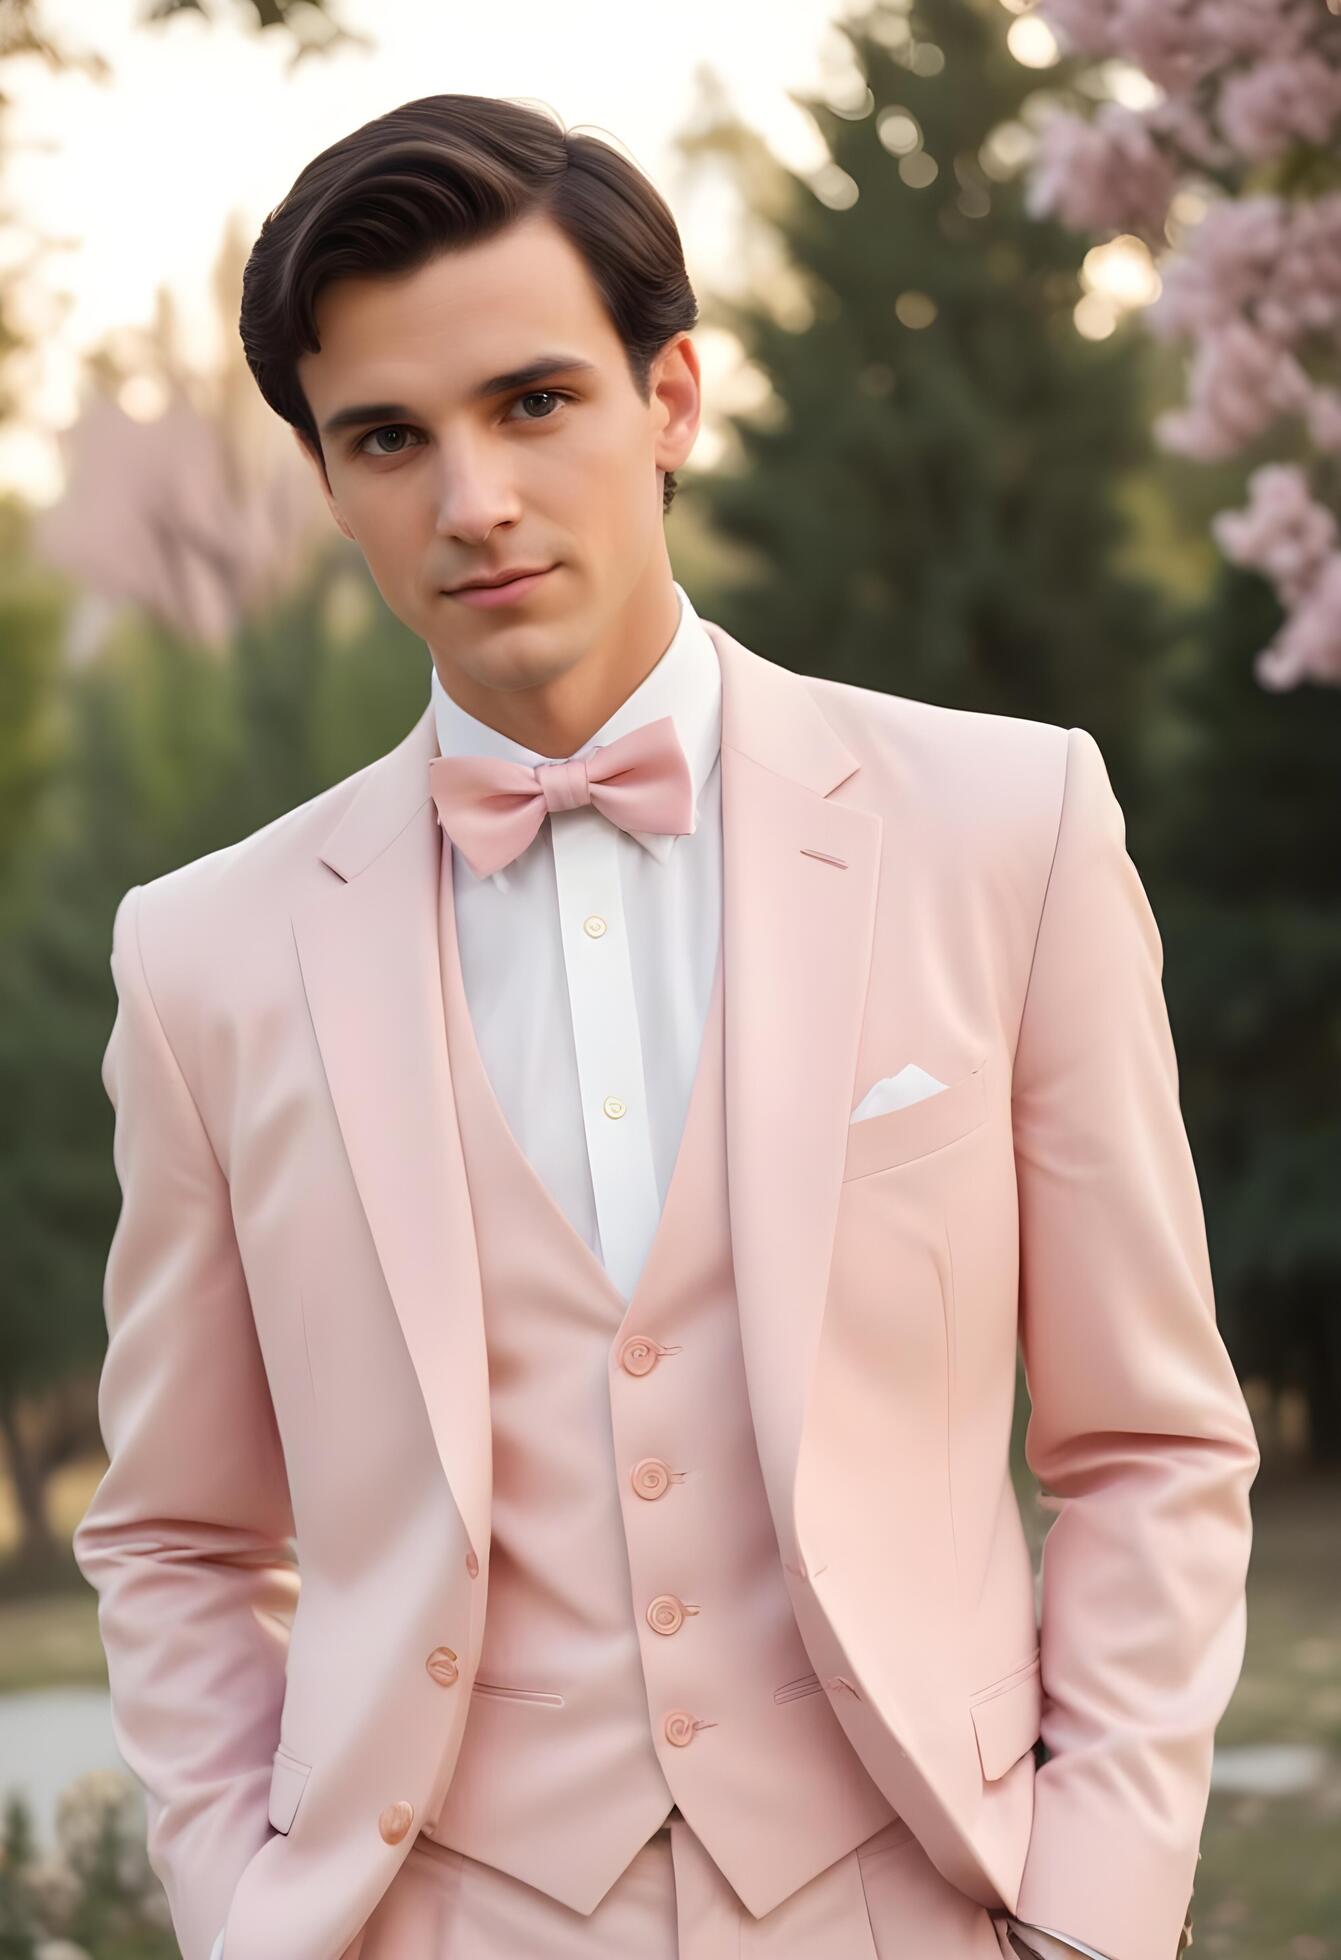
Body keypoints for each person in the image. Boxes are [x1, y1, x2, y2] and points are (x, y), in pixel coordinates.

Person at [73, 92, 1259, 1960]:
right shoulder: (204, 958)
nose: (471, 502)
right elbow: (177, 1537)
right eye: (389, 438)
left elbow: (1150, 1447)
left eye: (533, 403)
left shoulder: (1001, 828)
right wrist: (250, 1909)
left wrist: (1094, 1918)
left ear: (672, 401)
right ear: (327, 480)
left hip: (917, 1908)